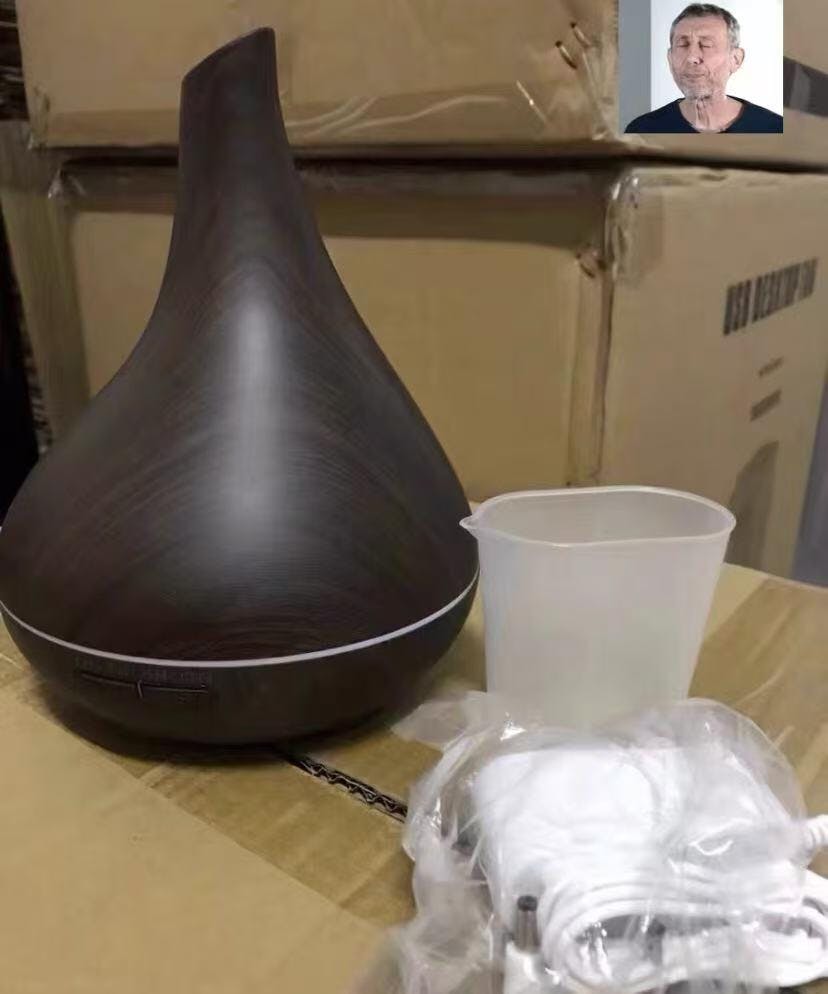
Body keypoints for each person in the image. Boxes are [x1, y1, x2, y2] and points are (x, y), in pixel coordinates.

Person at [626, 3, 783, 134]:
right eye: (683, 45)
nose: (692, 57)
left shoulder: (774, 128)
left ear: (735, 59)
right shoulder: (641, 131)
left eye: (706, 45)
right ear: (670, 58)